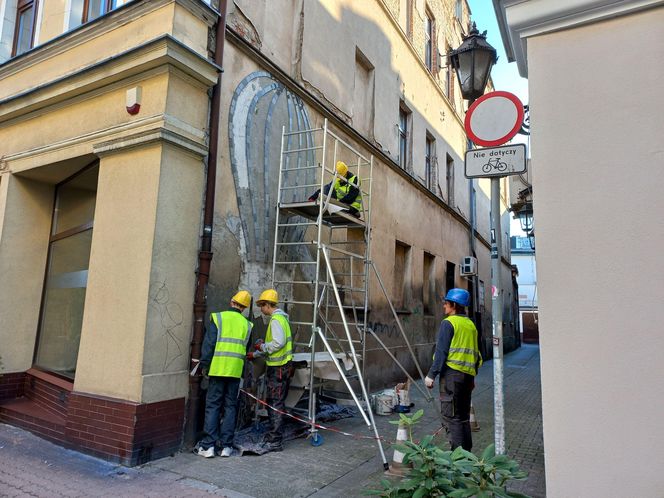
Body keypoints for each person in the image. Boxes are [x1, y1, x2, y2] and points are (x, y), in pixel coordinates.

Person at [194, 290, 253, 458]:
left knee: (213, 406)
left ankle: (208, 446)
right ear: (245, 308)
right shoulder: (248, 325)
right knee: (230, 407)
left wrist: (204, 365)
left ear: (231, 301)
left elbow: (209, 344)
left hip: (218, 369)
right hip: (235, 371)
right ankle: (226, 446)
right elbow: (245, 349)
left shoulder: (218, 318)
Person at [424, 288, 482, 451]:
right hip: (468, 378)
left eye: (446, 302)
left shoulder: (448, 323)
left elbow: (441, 352)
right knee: (463, 418)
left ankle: (457, 459)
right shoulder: (471, 325)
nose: (444, 306)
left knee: (452, 418)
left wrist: (431, 375)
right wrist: (472, 375)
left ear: (453, 305)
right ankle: (467, 456)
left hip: (451, 377)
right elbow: (477, 355)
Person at [247, 288, 293, 452]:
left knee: (275, 404)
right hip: (283, 367)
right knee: (277, 402)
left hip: (277, 368)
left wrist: (261, 346)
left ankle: (275, 440)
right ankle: (275, 435)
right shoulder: (283, 319)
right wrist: (258, 352)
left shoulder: (275, 320)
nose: (261, 309)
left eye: (262, 305)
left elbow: (277, 344)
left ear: (268, 305)